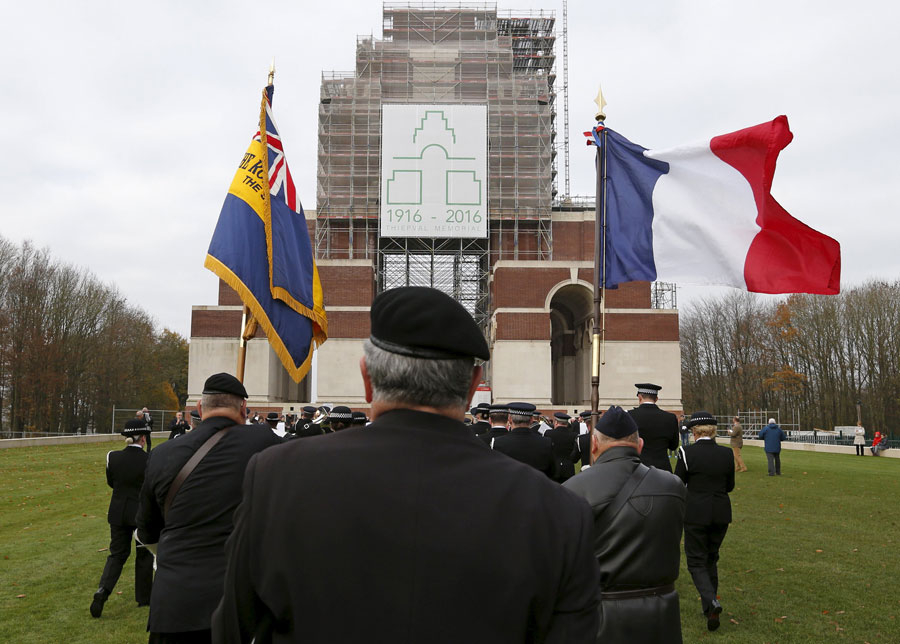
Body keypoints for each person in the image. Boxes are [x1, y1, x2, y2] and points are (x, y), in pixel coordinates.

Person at [211, 286, 600, 643]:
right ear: (472, 386)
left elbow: (233, 629)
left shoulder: (276, 480)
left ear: (367, 378)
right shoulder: (559, 514)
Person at [135, 372, 281, 644]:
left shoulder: (161, 455)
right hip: (240, 604)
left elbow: (147, 531)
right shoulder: (264, 441)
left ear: (200, 409)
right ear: (244, 409)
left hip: (175, 603)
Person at [564, 406, 686, 643]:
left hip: (599, 618)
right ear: (640, 446)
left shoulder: (571, 490)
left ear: (595, 446)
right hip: (662, 615)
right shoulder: (673, 486)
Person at [675, 411, 735, 632]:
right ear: (713, 430)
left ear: (694, 431)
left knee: (696, 561)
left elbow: (678, 482)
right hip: (720, 511)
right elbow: (730, 485)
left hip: (695, 512)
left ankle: (711, 601)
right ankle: (709, 608)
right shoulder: (726, 454)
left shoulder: (686, 452)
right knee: (711, 558)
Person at [90, 419, 154, 618]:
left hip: (118, 512)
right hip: (141, 514)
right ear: (143, 438)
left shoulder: (113, 457)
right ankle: (144, 599)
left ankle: (103, 590)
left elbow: (112, 483)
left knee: (117, 555)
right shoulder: (150, 459)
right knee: (143, 555)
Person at [491, 402, 556, 478]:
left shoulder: (498, 443)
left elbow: (495, 473)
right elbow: (553, 473)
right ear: (531, 420)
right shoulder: (546, 443)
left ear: (510, 419)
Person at [628, 383, 679, 472]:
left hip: (637, 469)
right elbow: (673, 446)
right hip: (662, 469)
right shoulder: (670, 418)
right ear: (656, 399)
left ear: (640, 397)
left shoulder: (629, 416)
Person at [545, 412, 577, 482]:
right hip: (568, 469)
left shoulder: (548, 433)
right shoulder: (574, 435)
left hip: (553, 469)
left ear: (556, 422)